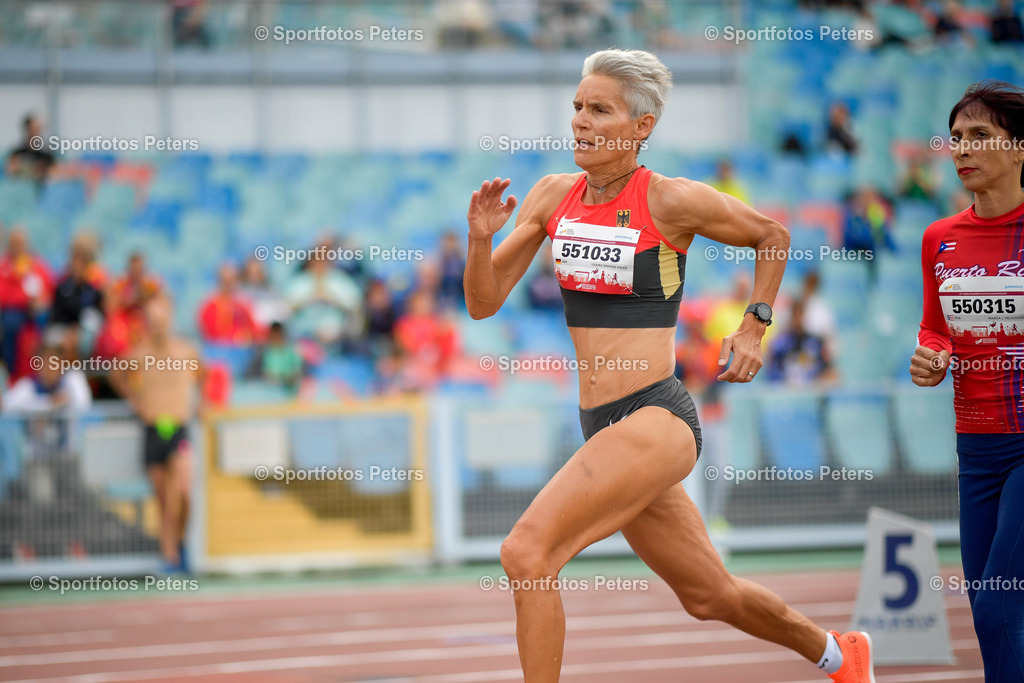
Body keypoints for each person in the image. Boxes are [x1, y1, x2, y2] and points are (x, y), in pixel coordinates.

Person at [465, 48, 874, 683]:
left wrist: (753, 326)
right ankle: (836, 653)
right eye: (577, 107)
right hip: (602, 425)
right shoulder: (551, 197)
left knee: (526, 551)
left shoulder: (671, 200)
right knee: (710, 596)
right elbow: (483, 303)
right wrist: (480, 240)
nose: (581, 121)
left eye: (600, 110)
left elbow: (773, 235)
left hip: (657, 415)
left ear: (641, 126)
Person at [912, 80, 1024, 683]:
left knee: (1001, 605)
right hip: (977, 447)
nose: (962, 149)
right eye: (956, 138)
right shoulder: (939, 239)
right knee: (987, 612)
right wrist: (930, 357)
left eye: (980, 136)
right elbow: (935, 329)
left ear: (1020, 148)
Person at [111, 297, 201, 574]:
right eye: (153, 320)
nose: (158, 325)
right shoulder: (140, 353)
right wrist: (134, 400)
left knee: (185, 492)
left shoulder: (184, 350)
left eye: (162, 320)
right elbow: (117, 372)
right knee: (163, 500)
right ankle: (170, 556)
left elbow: (205, 374)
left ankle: (182, 541)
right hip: (152, 429)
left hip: (177, 428)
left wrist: (204, 404)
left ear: (170, 320)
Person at [197, 262, 263, 346]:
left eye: (232, 280)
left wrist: (246, 337)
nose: (230, 285)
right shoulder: (210, 306)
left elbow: (254, 330)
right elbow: (210, 334)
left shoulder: (243, 304)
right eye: (226, 281)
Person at [5, 114, 55, 186]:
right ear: (27, 130)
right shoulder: (17, 154)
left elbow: (53, 173)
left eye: (38, 129)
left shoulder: (46, 157)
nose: (36, 133)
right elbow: (11, 173)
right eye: (33, 129)